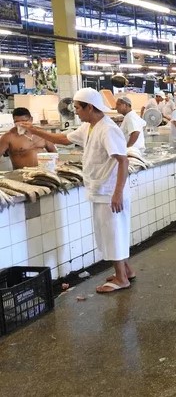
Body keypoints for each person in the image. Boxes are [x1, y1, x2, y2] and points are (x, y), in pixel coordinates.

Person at [19, 88, 133, 293]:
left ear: (90, 107)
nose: (76, 112)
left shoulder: (107, 129)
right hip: (101, 190)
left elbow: (123, 161)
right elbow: (63, 139)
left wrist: (117, 193)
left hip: (110, 192)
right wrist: (34, 130)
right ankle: (126, 271)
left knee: (113, 233)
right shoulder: (89, 127)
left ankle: (122, 279)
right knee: (109, 232)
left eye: (78, 108)